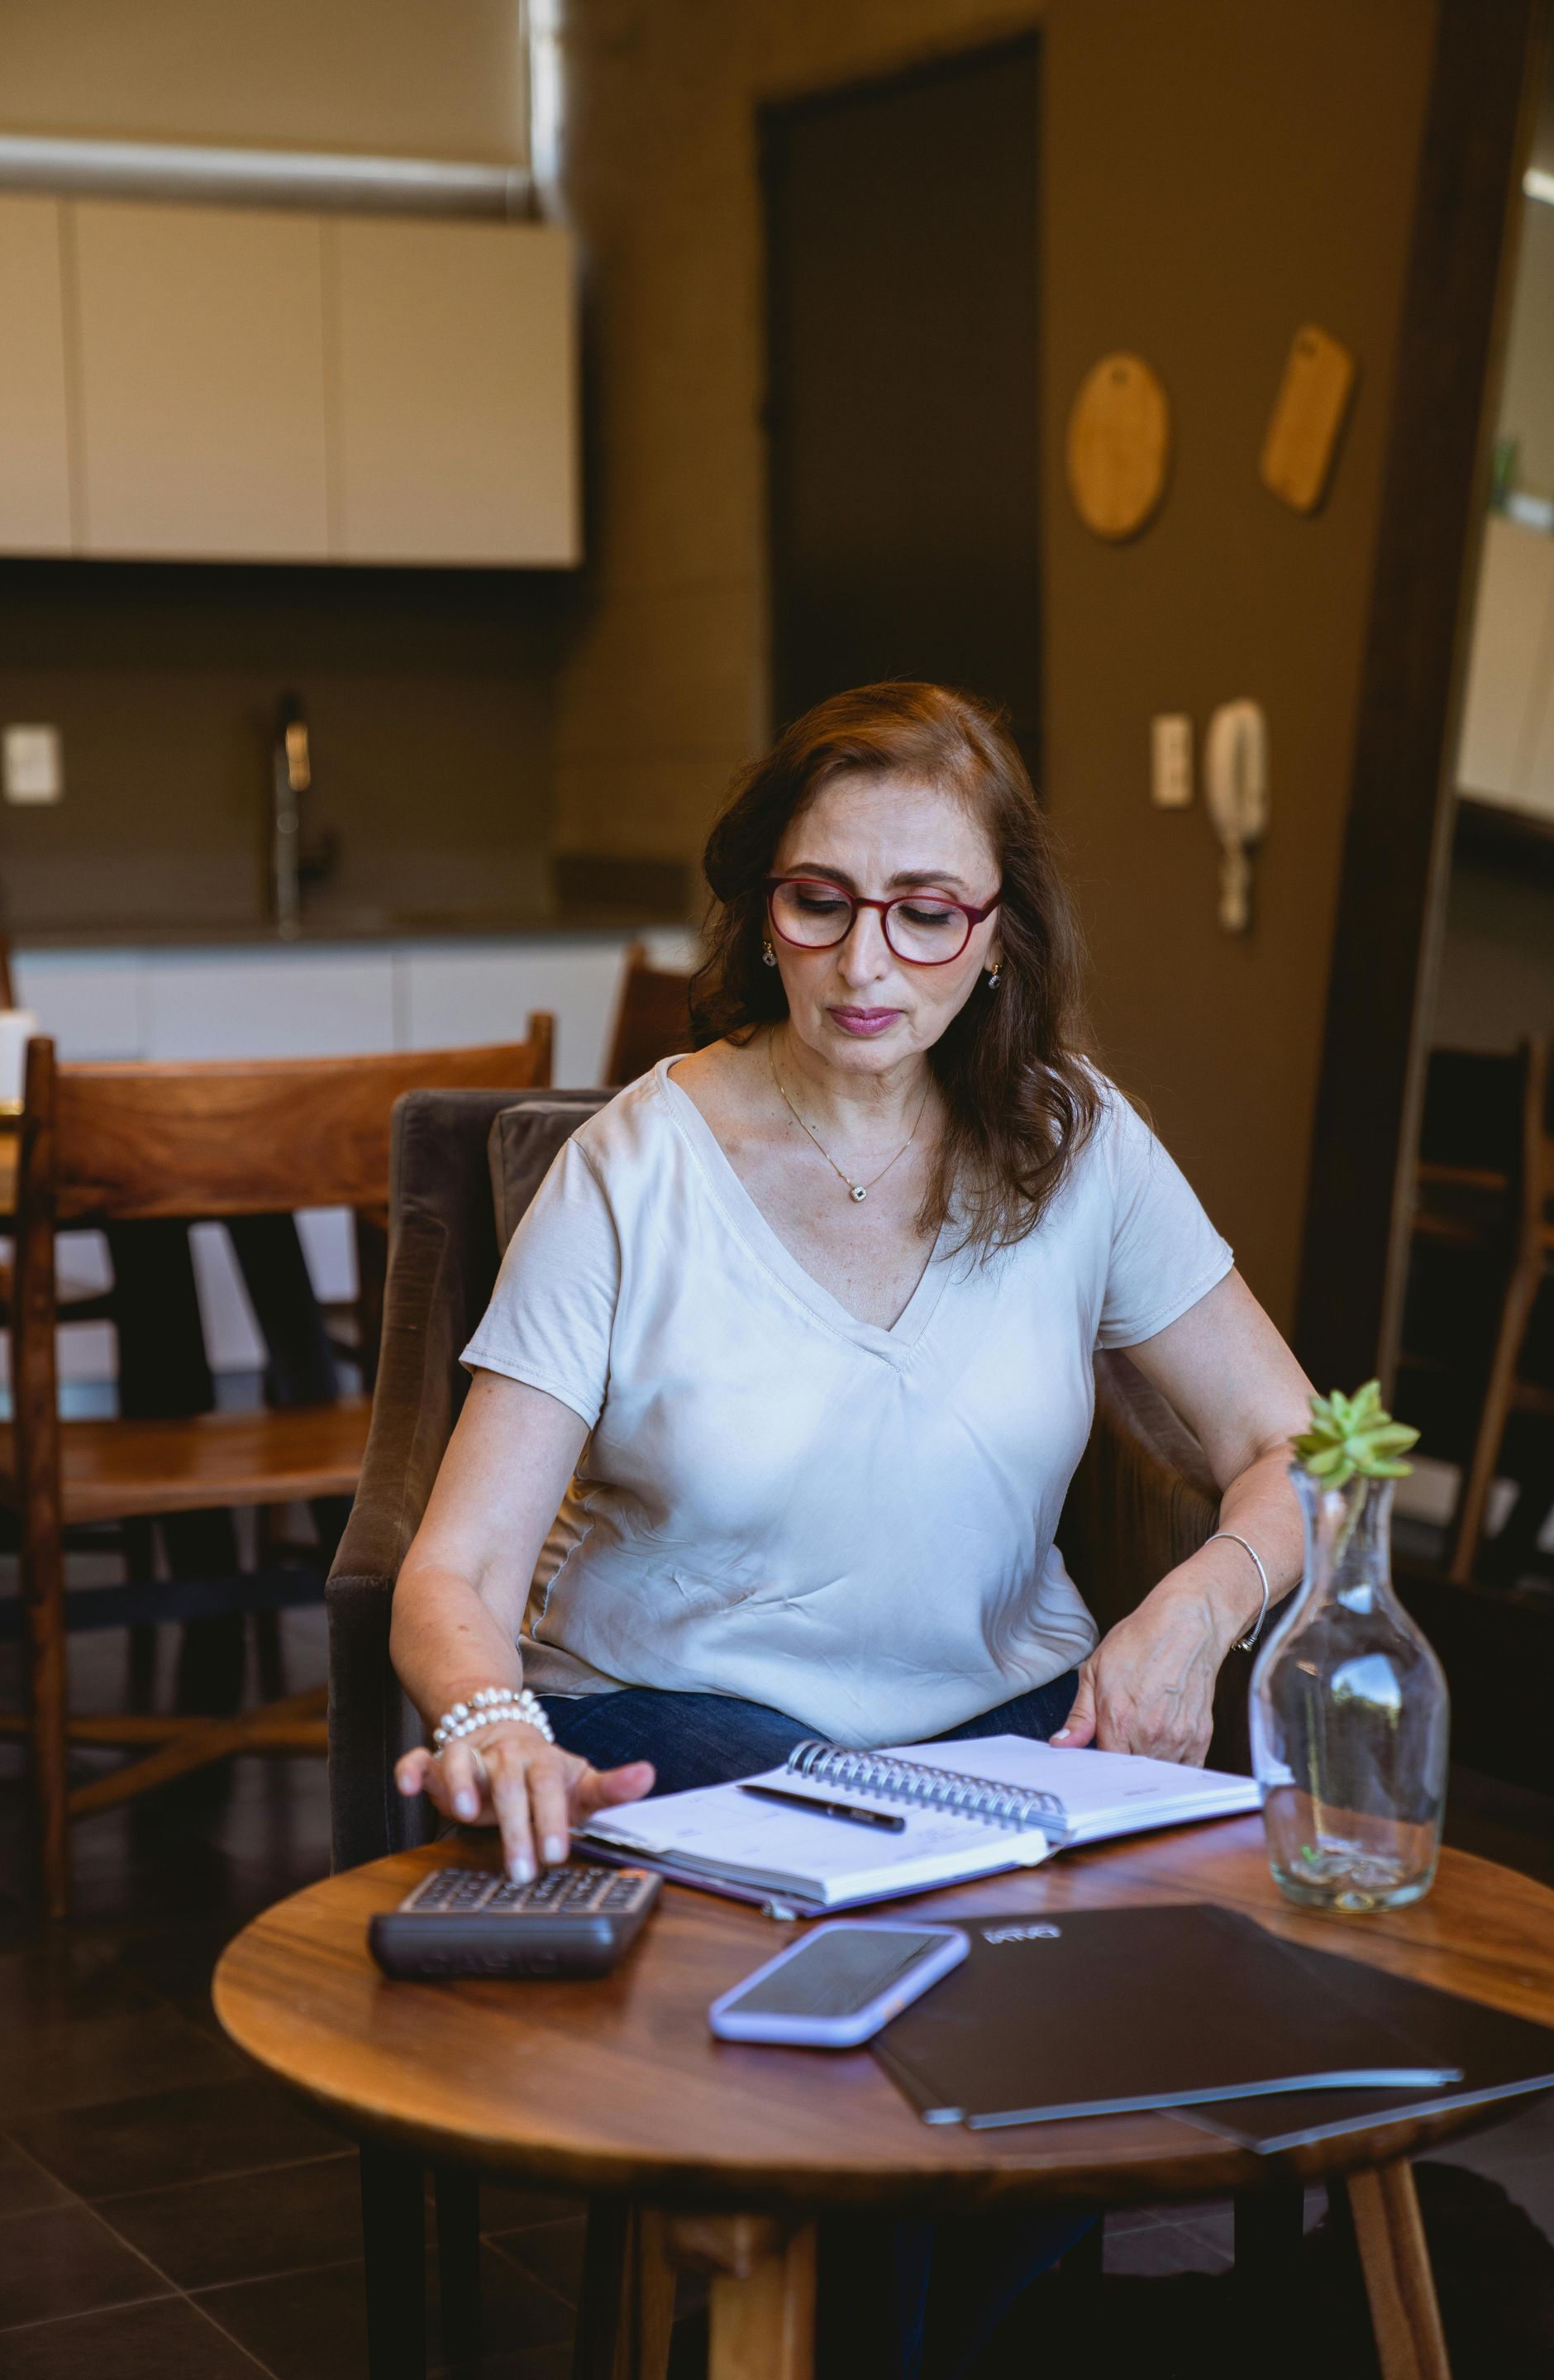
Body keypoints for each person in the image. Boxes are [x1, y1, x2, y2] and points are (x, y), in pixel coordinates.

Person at [390, 681, 1313, 2374]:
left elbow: (1301, 1444)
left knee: (1165, 1982)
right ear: (763, 908)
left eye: (925, 910)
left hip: (1012, 1736)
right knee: (901, 2015)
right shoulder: (631, 1172)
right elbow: (451, 1571)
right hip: (689, 1732)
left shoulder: (1078, 1142)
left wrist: (1197, 1607)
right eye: (820, 901)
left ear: (993, 938)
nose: (866, 962)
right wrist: (489, 1716)